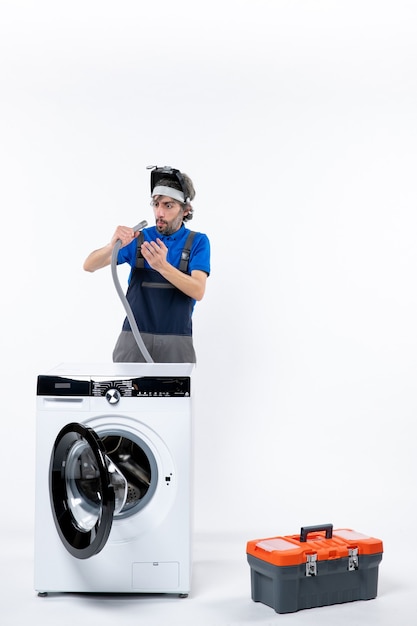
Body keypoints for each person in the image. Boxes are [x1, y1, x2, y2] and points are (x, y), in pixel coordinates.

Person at [83, 166, 210, 363]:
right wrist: (111, 246)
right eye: (156, 204)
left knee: (176, 394)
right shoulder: (139, 238)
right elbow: (89, 265)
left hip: (177, 342)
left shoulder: (197, 242)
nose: (159, 212)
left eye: (168, 206)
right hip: (133, 341)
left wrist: (163, 267)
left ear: (186, 210)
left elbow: (198, 290)